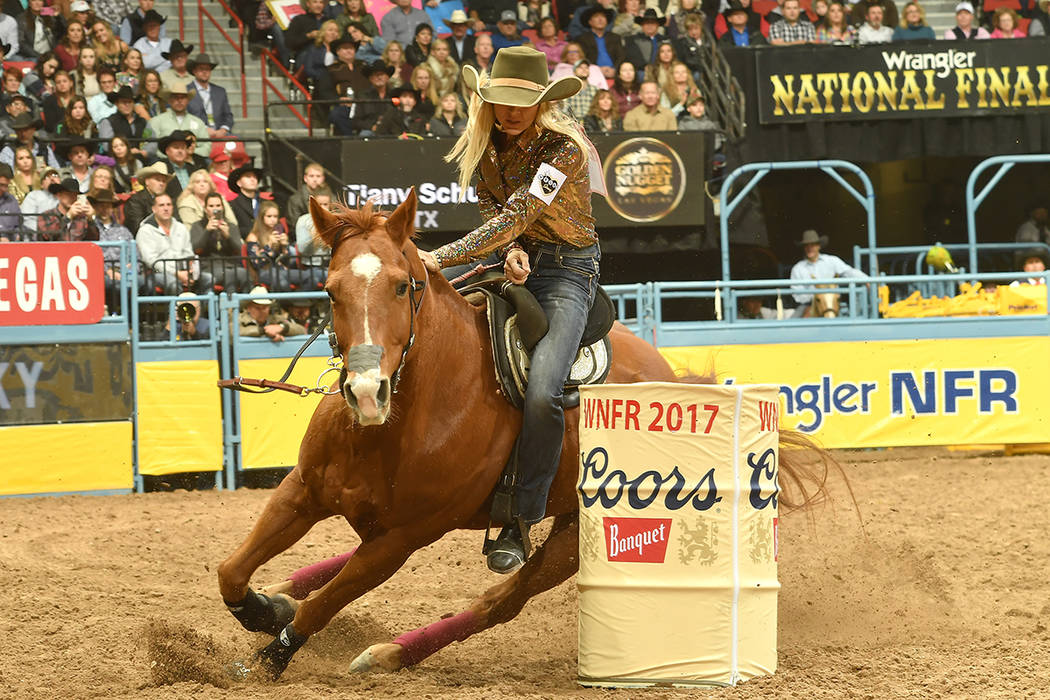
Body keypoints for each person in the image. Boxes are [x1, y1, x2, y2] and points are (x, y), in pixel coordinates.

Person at [420, 46, 599, 574]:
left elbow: (518, 213)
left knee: (544, 389)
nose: (512, 110)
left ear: (541, 102)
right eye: (502, 100)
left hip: (569, 272)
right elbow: (502, 223)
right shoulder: (484, 152)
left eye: (523, 101)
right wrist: (510, 254)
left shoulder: (564, 150)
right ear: (489, 101)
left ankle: (520, 518)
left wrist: (442, 257)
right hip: (524, 264)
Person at [136, 192, 211, 293]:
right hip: (157, 273)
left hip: (182, 270)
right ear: (154, 209)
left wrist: (189, 272)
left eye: (169, 205)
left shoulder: (180, 227)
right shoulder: (145, 231)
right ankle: (177, 309)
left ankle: (201, 308)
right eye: (161, 205)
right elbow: (151, 261)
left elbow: (188, 253)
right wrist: (175, 273)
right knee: (173, 283)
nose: (166, 208)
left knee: (208, 279)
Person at [789, 229, 866, 308]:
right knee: (796, 318)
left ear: (819, 246)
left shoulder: (832, 261)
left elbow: (848, 272)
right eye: (806, 245)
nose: (809, 248)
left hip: (832, 304)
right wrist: (817, 297)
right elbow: (797, 295)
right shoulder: (798, 268)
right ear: (804, 248)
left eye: (813, 245)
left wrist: (865, 280)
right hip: (809, 305)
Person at [190, 190, 248, 292]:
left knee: (245, 274)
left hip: (230, 266)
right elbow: (195, 249)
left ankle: (247, 306)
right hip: (208, 267)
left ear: (222, 208)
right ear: (205, 209)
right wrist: (207, 231)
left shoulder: (231, 226)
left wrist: (228, 236)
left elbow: (239, 251)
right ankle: (230, 307)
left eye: (218, 205)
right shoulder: (197, 226)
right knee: (229, 275)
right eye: (211, 206)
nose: (215, 209)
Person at [90, 187, 137, 307]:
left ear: (112, 208)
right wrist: (106, 271)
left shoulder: (123, 231)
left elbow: (136, 255)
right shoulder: (90, 230)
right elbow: (89, 256)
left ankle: (133, 321)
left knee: (136, 282)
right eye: (101, 205)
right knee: (118, 285)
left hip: (125, 274)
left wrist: (127, 271)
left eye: (108, 205)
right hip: (100, 275)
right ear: (95, 207)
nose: (105, 209)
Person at [142, 79, 210, 159]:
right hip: (163, 163)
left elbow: (207, 147)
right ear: (170, 100)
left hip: (193, 163)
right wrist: (170, 154)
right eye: (176, 97)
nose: (179, 101)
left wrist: (189, 153)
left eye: (183, 98)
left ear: (188, 100)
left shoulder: (198, 122)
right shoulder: (155, 121)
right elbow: (146, 144)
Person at [186, 53, 234, 138]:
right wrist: (203, 129)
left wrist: (224, 129)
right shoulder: (186, 91)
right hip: (196, 135)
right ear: (194, 71)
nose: (205, 72)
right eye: (201, 69)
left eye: (207, 69)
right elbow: (185, 117)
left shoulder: (220, 91)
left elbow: (228, 115)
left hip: (220, 134)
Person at [39, 176, 99, 241]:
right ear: (59, 195)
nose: (72, 197)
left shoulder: (82, 218)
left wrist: (91, 220)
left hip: (77, 251)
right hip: (54, 251)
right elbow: (47, 236)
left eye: (75, 195)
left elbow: (94, 240)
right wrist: (68, 217)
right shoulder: (47, 215)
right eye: (68, 194)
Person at [239, 285, 307, 341]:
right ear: (248, 308)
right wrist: (265, 331)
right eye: (258, 308)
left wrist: (282, 328)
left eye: (265, 307)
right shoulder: (238, 319)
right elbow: (231, 334)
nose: (262, 310)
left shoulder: (276, 319)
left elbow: (302, 330)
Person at [577, 4, 624, 80]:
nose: (600, 19)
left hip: (614, 72)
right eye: (596, 16)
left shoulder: (615, 37)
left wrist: (614, 69)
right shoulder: (582, 39)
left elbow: (621, 56)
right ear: (590, 22)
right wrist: (596, 69)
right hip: (591, 74)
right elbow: (582, 58)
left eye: (603, 16)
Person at [349, 59, 394, 136]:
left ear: (387, 77)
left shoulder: (395, 95)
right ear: (370, 78)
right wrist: (371, 127)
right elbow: (355, 121)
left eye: (382, 74)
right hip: (370, 131)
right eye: (376, 74)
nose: (379, 77)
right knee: (364, 135)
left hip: (392, 130)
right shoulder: (361, 96)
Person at [123, 160, 171, 232]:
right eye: (157, 180)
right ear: (147, 181)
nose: (161, 183)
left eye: (164, 181)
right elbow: (138, 226)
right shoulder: (135, 200)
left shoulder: (169, 200)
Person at [286, 161, 328, 226]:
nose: (315, 179)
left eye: (318, 176)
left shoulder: (330, 197)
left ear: (323, 178)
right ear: (305, 178)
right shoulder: (295, 200)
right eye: (311, 176)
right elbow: (294, 224)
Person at [228, 161, 265, 234]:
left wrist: (280, 234)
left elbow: (278, 225)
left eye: (255, 177)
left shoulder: (266, 203)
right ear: (239, 183)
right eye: (248, 176)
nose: (252, 179)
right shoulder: (232, 205)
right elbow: (232, 229)